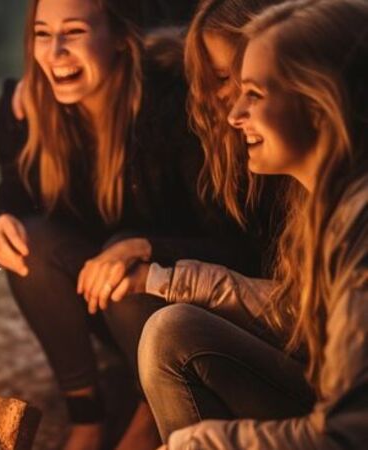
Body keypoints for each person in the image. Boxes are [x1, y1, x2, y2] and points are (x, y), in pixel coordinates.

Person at [0, 0, 259, 448]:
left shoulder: (170, 105)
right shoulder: (26, 110)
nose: (56, 52)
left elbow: (235, 244)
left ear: (121, 38)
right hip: (97, 295)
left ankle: (152, 407)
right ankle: (87, 414)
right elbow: (14, 209)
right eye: (43, 34)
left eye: (75, 32)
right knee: (33, 243)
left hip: (180, 302)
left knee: (122, 262)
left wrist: (144, 246)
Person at [136, 0, 368, 448]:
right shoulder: (328, 202)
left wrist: (201, 443)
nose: (232, 114)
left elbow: (351, 432)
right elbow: (299, 313)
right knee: (174, 330)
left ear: (320, 102)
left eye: (254, 95)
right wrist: (170, 281)